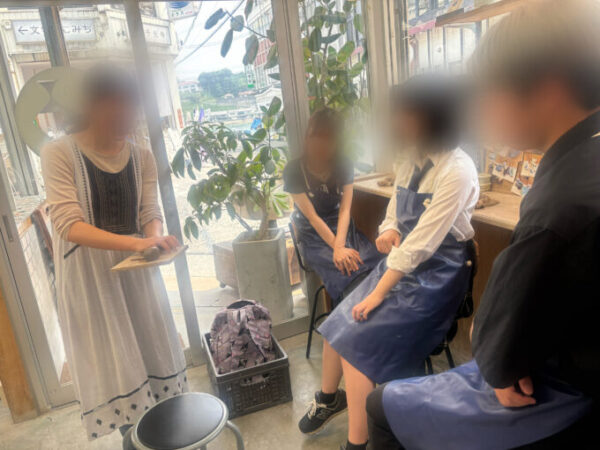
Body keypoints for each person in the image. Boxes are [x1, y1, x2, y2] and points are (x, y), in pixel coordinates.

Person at [366, 1, 600, 448]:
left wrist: (489, 341)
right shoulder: (580, 164)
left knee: (383, 406)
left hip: (565, 391)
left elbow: (495, 351)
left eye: (490, 94)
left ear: (548, 88)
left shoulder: (555, 206)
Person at [317, 75, 480, 450]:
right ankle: (329, 400)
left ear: (433, 115)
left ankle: (358, 443)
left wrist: (377, 293)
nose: (398, 122)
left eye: (406, 114)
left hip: (438, 276)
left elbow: (422, 244)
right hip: (402, 266)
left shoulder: (457, 169)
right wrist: (388, 229)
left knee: (357, 347)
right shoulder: (412, 156)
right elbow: (395, 211)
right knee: (337, 323)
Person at [41, 65, 187, 441]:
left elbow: (150, 213)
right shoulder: (59, 153)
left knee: (156, 367)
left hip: (137, 276)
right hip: (91, 283)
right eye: (117, 106)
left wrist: (154, 240)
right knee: (121, 377)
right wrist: (138, 243)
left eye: (131, 107)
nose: (127, 116)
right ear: (91, 106)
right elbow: (69, 225)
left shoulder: (142, 156)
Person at [284, 108, 382, 434]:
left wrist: (341, 245)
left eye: (328, 140)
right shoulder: (294, 170)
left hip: (342, 230)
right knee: (352, 281)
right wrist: (335, 249)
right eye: (316, 137)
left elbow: (344, 211)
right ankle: (357, 373)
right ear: (308, 136)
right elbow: (312, 218)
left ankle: (333, 394)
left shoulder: (343, 163)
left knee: (375, 269)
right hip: (313, 236)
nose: (320, 145)